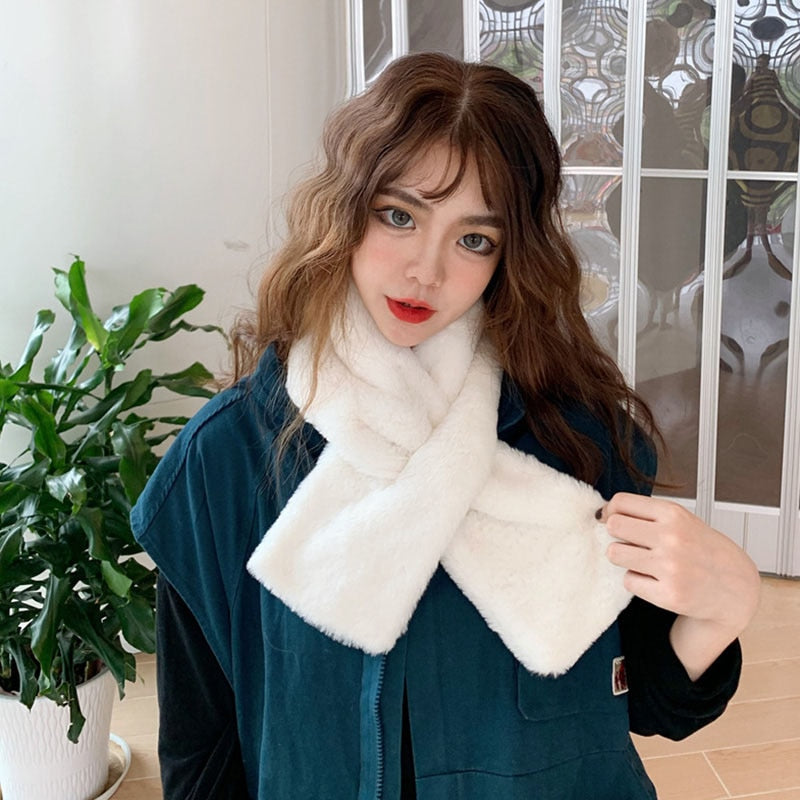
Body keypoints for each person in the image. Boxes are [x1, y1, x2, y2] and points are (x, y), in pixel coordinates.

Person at [131, 52, 761, 799]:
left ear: (509, 256)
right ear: (345, 211)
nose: (426, 271)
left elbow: (651, 704)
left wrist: (724, 605)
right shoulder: (230, 457)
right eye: (398, 215)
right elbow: (202, 760)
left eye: (474, 239)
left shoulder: (577, 437)